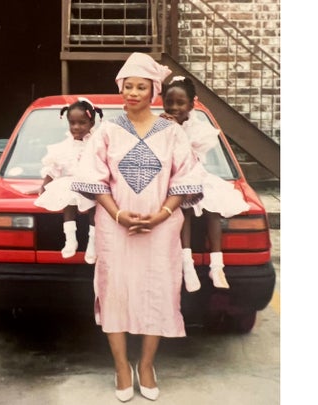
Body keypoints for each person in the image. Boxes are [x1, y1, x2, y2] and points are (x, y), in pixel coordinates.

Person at [71, 53, 203, 402]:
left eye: (140, 87)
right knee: (115, 291)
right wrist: (118, 215)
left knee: (158, 291)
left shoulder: (172, 133)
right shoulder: (107, 132)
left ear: (153, 91)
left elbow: (185, 179)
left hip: (161, 228)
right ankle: (120, 366)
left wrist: (161, 215)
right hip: (116, 228)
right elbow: (93, 179)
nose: (132, 92)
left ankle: (145, 365)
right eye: (127, 86)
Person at [160, 76, 250, 292]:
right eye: (169, 102)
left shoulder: (200, 129)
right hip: (171, 178)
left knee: (213, 207)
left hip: (195, 174)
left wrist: (177, 130)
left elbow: (191, 156)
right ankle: (187, 264)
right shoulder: (160, 125)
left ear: (191, 105)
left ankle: (216, 265)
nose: (174, 107)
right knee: (185, 210)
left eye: (180, 103)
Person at [34, 98, 103, 264]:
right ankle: (70, 239)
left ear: (91, 123)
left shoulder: (97, 143)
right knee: (68, 200)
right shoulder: (65, 146)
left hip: (92, 184)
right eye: (72, 123)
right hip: (71, 184)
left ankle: (92, 244)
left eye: (82, 123)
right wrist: (44, 186)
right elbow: (55, 167)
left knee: (96, 208)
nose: (76, 127)